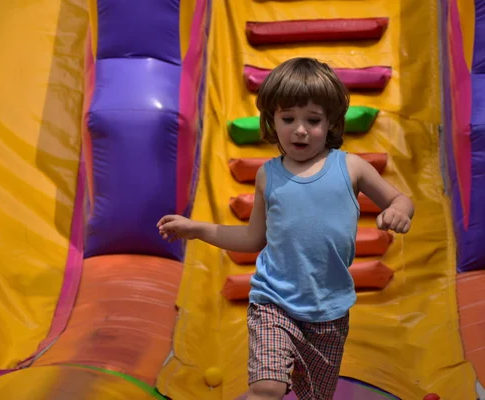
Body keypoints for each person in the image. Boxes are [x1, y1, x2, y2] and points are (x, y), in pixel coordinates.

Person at [157, 57, 414, 400]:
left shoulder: (351, 167)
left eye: (313, 120)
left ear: (332, 122)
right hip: (274, 302)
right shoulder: (269, 175)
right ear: (271, 120)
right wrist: (197, 228)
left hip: (329, 312)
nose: (301, 129)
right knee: (268, 388)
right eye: (288, 118)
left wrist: (398, 211)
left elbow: (401, 199)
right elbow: (252, 239)